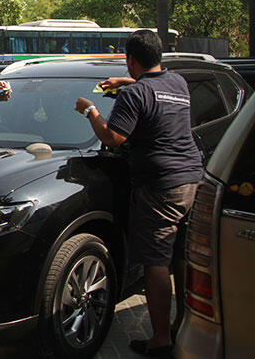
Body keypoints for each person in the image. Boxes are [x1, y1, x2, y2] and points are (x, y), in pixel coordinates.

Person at [74, 29, 201, 358]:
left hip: (160, 186)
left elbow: (113, 137)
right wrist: (125, 81)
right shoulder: (178, 83)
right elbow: (153, 89)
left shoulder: (135, 97)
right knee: (180, 255)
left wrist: (90, 110)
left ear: (131, 59)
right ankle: (181, 323)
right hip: (193, 179)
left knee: (155, 260)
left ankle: (160, 338)